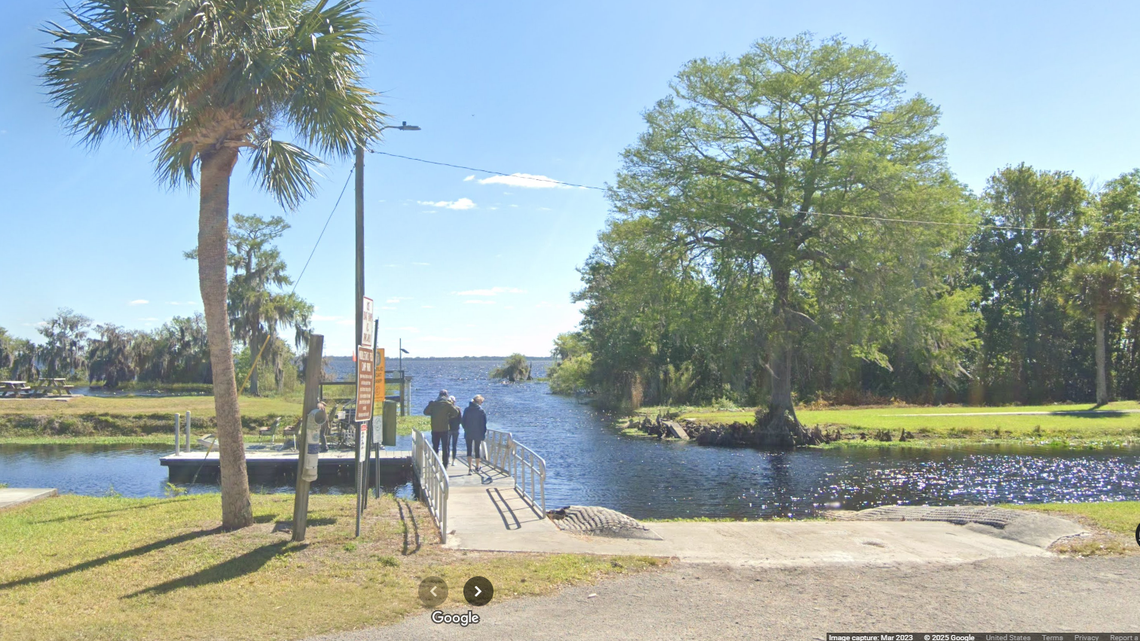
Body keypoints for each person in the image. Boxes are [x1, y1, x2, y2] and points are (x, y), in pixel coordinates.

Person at [423, 389, 459, 466]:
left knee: (435, 447)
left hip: (435, 429)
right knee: (445, 447)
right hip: (445, 429)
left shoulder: (433, 403)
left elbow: (425, 412)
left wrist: (432, 414)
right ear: (446, 396)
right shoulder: (447, 404)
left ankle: (434, 463)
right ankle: (445, 464)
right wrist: (449, 416)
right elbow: (456, 412)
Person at [462, 394, 487, 474]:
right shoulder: (481, 411)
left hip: (468, 432)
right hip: (478, 432)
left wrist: (466, 428)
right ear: (479, 401)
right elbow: (483, 423)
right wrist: (483, 433)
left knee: (469, 450)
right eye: (481, 402)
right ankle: (477, 467)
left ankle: (469, 468)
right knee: (477, 450)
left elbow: (463, 421)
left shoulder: (467, 409)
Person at [447, 395, 462, 467]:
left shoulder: (446, 409)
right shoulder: (458, 409)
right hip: (456, 429)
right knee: (454, 445)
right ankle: (453, 460)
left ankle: (448, 459)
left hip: (448, 429)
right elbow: (460, 420)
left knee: (447, 445)